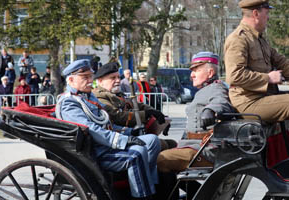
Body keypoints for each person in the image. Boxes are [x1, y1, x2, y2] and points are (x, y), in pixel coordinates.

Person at [56, 59, 161, 199]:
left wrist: (130, 132)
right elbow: (92, 129)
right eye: (85, 77)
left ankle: (150, 186)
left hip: (106, 146)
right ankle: (141, 195)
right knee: (137, 153)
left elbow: (105, 123)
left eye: (90, 76)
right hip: (94, 153)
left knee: (153, 141)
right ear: (71, 80)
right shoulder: (69, 102)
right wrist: (124, 140)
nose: (89, 80)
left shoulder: (88, 96)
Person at [157, 52, 234, 172]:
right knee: (159, 146)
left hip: (204, 149)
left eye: (196, 70)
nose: (191, 75)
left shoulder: (216, 88)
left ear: (210, 73)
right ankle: (191, 191)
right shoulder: (205, 89)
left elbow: (221, 101)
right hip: (195, 144)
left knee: (160, 160)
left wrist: (211, 109)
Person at [224, 0, 289, 122]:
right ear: (256, 14)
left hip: (264, 98)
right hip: (249, 102)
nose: (268, 17)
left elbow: (282, 63)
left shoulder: (259, 39)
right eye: (266, 13)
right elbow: (234, 75)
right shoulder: (238, 39)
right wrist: (268, 78)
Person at [93, 62, 176, 151]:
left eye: (118, 77)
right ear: (100, 81)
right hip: (119, 138)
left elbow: (138, 105)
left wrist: (159, 116)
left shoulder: (118, 94)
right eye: (113, 78)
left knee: (172, 143)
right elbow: (116, 116)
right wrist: (146, 114)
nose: (118, 80)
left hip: (134, 133)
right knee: (162, 144)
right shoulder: (99, 96)